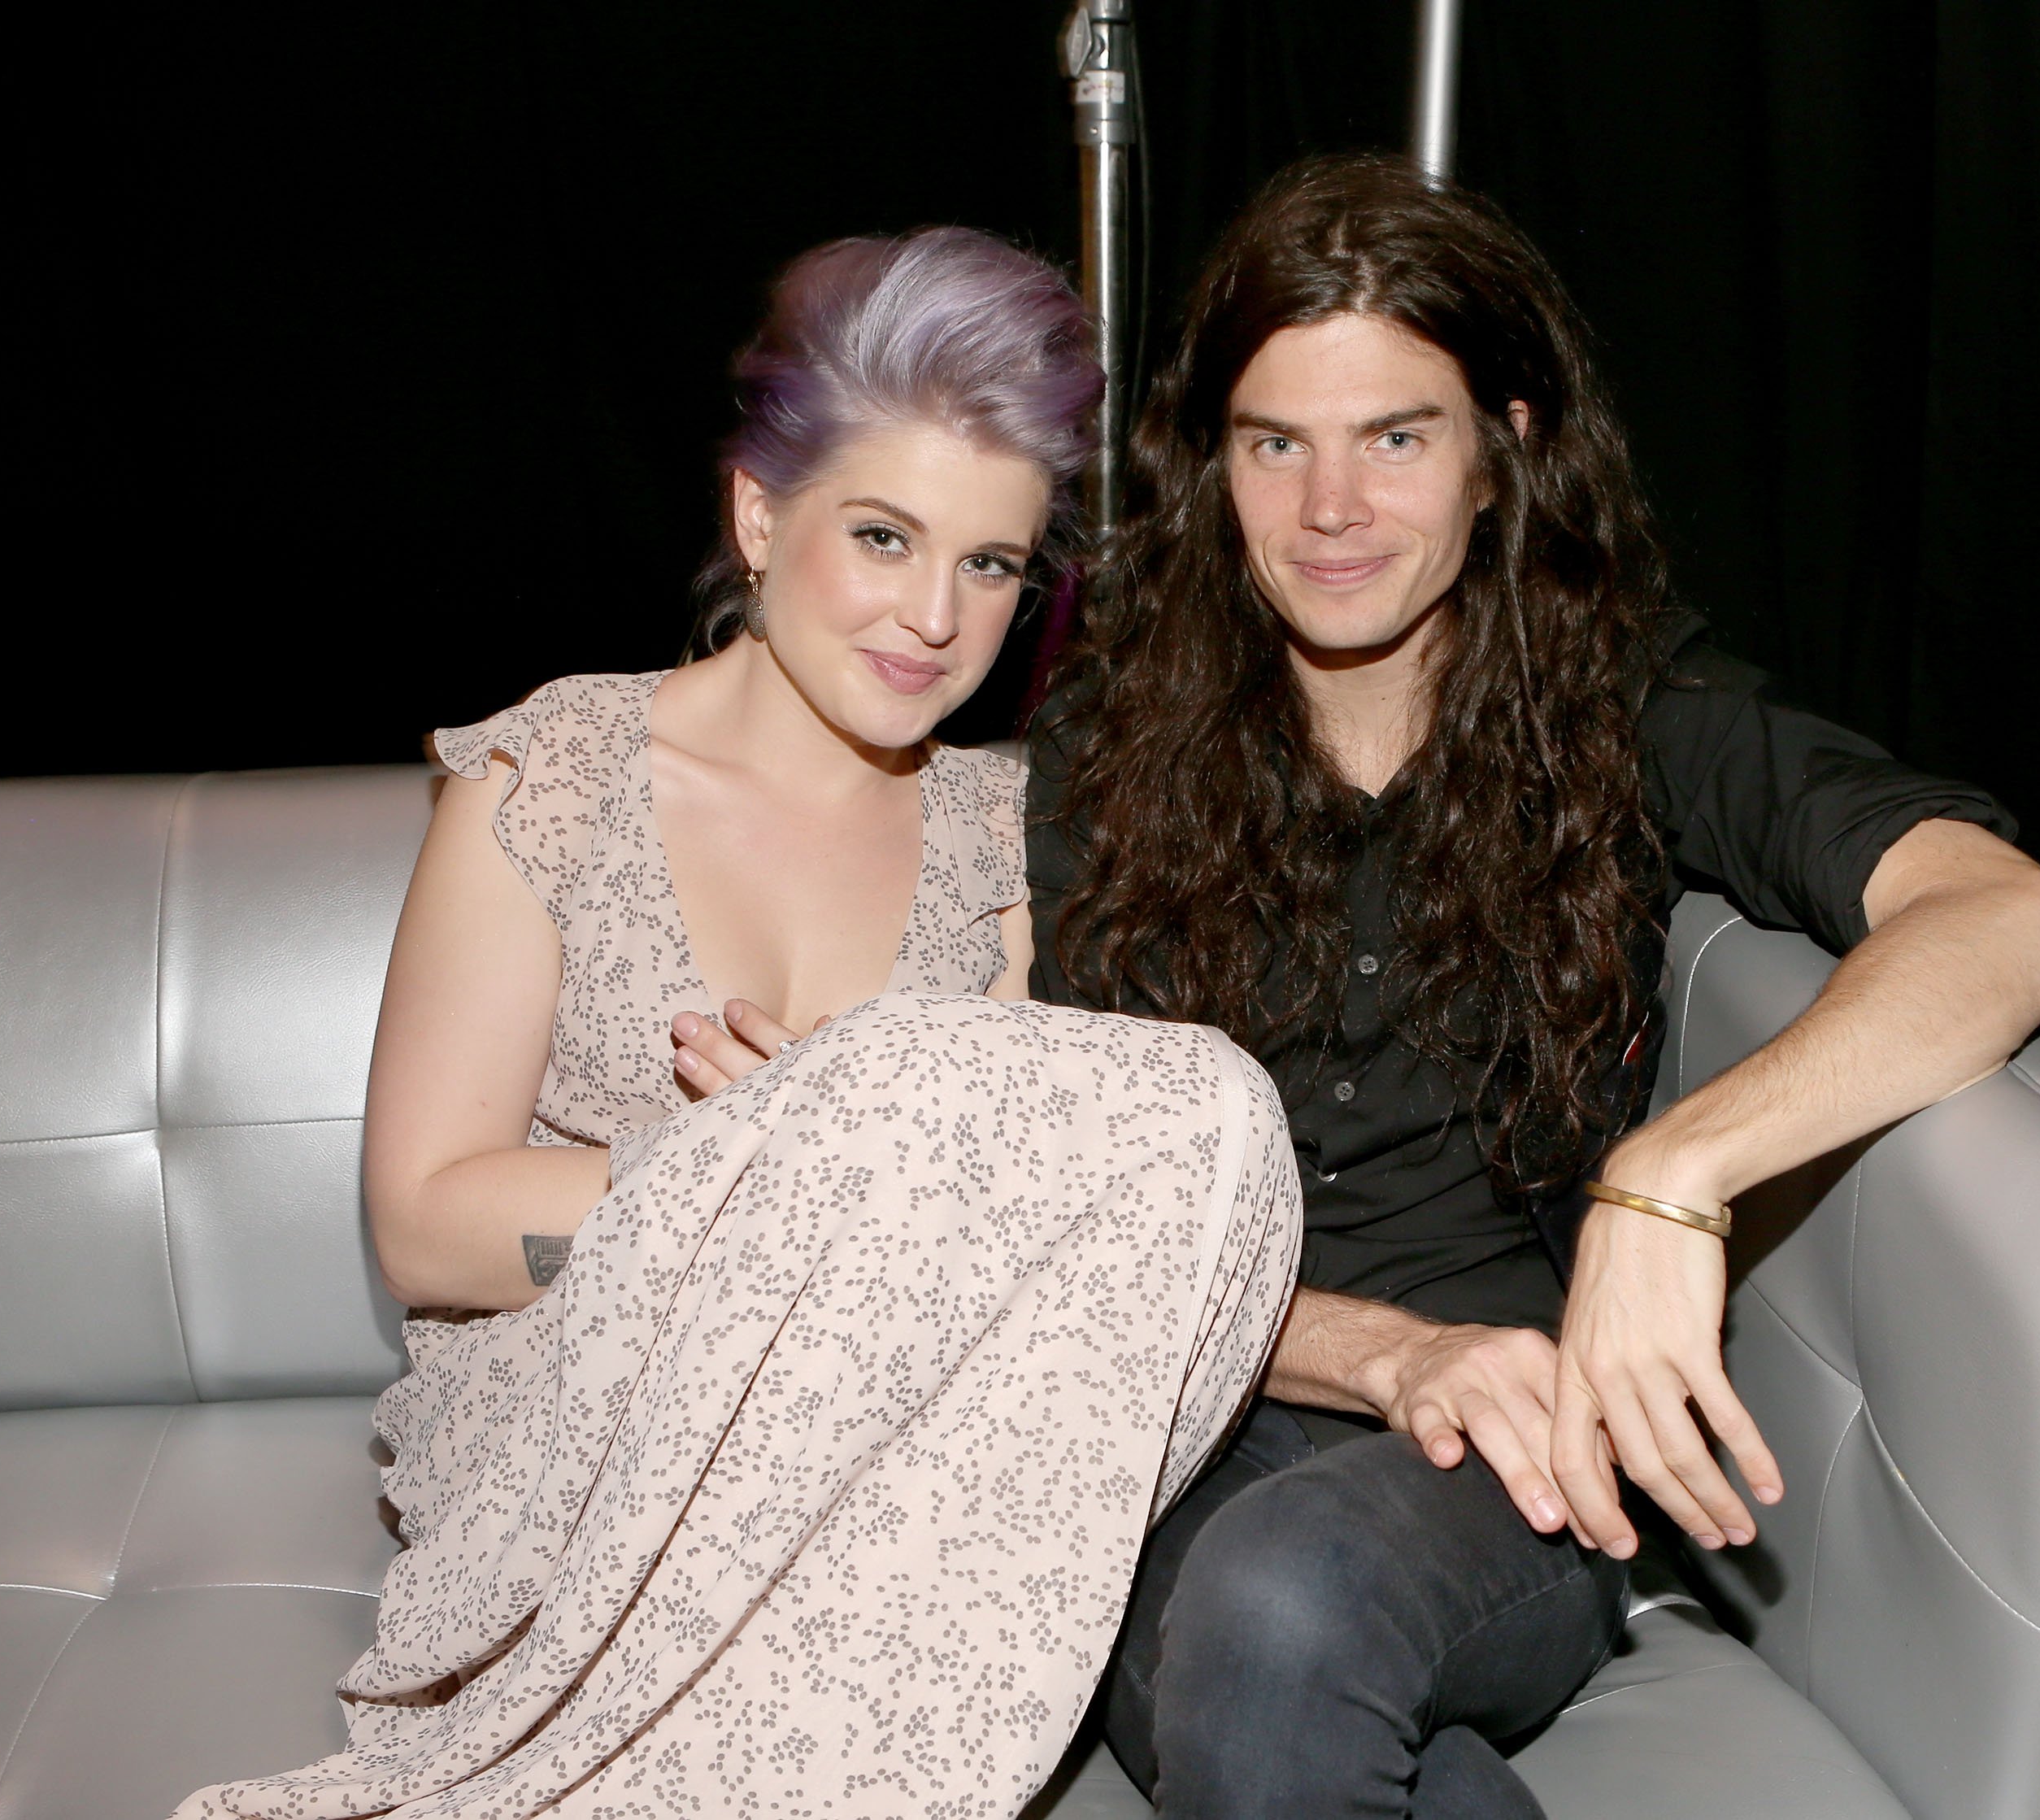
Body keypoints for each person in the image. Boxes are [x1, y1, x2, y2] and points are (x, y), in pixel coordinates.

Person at [1027, 155, 2040, 1817]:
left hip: (1515, 1467)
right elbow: (1090, 1224)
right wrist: (1386, 1354)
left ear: (1504, 452)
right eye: (1274, 444)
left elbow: (2018, 920)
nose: (1330, 509)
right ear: (1209, 463)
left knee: (1281, 1610)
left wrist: (1669, 1181)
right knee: (1278, 1681)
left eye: (1398, 436)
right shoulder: (1117, 735)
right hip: (1186, 1417)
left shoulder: (1621, 704)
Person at [175, 227, 1300, 1820]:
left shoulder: (1006, 839)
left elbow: (1007, 1275)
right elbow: (428, 1228)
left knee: (1199, 1116)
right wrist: (776, 1161)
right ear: (760, 516)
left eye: (989, 564)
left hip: (874, 1471)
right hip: (580, 1438)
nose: (935, 618)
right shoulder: (554, 778)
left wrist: (854, 1154)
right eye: (885, 537)